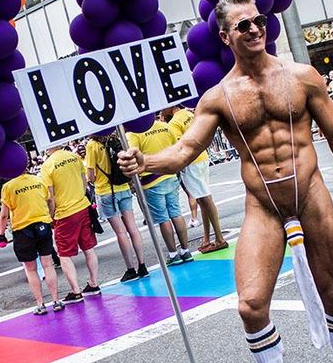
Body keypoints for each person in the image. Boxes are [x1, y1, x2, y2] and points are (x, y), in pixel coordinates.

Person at [119, 0, 333, 363]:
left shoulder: (301, 77)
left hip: (312, 195)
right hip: (264, 208)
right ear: (225, 36)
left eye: (259, 20)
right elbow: (182, 152)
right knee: (251, 305)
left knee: (332, 291)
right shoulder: (218, 98)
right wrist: (144, 160)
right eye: (244, 25)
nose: (256, 28)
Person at [126, 118, 194, 265]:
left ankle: (173, 253)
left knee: (163, 218)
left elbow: (133, 158)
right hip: (170, 174)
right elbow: (176, 147)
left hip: (151, 179)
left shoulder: (134, 133)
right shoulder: (164, 126)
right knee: (176, 213)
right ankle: (185, 250)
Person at [0, 172, 63, 314]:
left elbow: (4, 214)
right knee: (48, 264)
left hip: (23, 230)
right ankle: (56, 301)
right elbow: (50, 200)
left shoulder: (8, 187)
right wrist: (50, 217)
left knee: (31, 269)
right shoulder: (39, 180)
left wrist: (1, 235)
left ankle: (41, 304)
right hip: (43, 225)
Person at [84, 134, 147, 281]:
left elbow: (91, 175)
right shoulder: (114, 139)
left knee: (121, 232)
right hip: (123, 187)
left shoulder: (91, 145)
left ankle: (130, 269)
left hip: (105, 192)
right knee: (133, 228)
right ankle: (142, 265)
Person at [40, 146, 99, 303]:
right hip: (82, 206)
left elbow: (50, 198)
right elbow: (83, 181)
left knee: (64, 254)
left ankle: (76, 291)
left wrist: (51, 216)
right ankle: (94, 283)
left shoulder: (47, 165)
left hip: (65, 213)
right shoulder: (74, 157)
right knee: (88, 248)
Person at [169, 106, 228, 254]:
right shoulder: (190, 114)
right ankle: (207, 238)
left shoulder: (174, 123)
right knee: (202, 200)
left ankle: (219, 238)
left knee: (205, 199)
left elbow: (179, 147)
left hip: (191, 162)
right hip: (201, 157)